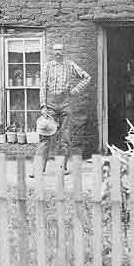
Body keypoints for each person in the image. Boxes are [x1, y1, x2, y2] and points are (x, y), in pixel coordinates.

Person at [31, 43, 90, 176]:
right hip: (50, 105)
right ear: (53, 52)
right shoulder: (47, 67)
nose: (58, 53)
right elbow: (42, 87)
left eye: (60, 50)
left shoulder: (70, 65)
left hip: (66, 104)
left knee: (65, 137)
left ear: (64, 52)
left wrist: (75, 91)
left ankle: (61, 168)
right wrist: (43, 106)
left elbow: (87, 78)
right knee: (45, 137)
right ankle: (38, 169)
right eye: (56, 50)